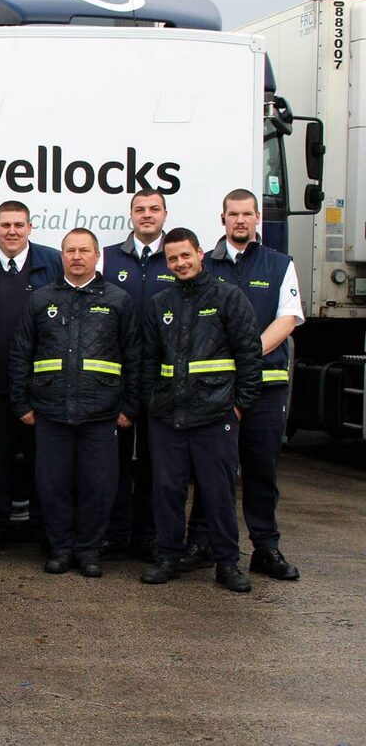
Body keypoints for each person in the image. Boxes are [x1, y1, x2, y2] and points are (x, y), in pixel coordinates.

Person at [182, 189, 304, 580]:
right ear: (223, 219)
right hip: (215, 390)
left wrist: (245, 358)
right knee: (210, 470)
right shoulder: (206, 266)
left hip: (266, 389)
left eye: (247, 214)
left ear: (256, 220)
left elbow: (287, 320)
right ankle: (201, 543)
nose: (240, 220)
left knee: (260, 469)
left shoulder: (279, 264)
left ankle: (265, 547)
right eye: (233, 214)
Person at [10, 228, 140, 577]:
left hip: (103, 414)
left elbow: (134, 357)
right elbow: (21, 353)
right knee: (52, 485)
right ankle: (60, 549)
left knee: (98, 487)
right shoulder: (40, 300)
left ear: (97, 256)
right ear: (61, 256)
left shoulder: (118, 300)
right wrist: (21, 403)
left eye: (84, 250)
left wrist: (130, 406)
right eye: (70, 250)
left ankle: (88, 550)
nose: (77, 256)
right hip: (50, 412)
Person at [140, 227, 261, 593]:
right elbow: (148, 360)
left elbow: (249, 355)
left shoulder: (229, 298)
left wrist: (239, 407)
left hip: (215, 416)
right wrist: (152, 402)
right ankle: (168, 558)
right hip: (168, 417)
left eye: (185, 255)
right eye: (173, 258)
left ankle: (227, 564)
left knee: (218, 494)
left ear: (200, 254)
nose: (180, 263)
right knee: (167, 491)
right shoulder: (161, 303)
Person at [0, 201, 61, 555]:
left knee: (44, 464)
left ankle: (44, 530)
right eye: (5, 224)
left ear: (30, 227)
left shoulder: (52, 263)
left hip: (42, 387)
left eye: (18, 225)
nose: (11, 231)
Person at [101, 189, 175, 561]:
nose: (147, 215)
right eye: (140, 209)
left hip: (163, 380)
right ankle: (114, 534)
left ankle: (148, 536)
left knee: (155, 462)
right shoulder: (108, 257)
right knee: (113, 461)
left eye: (154, 209)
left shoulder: (177, 257)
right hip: (117, 377)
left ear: (165, 213)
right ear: (130, 214)